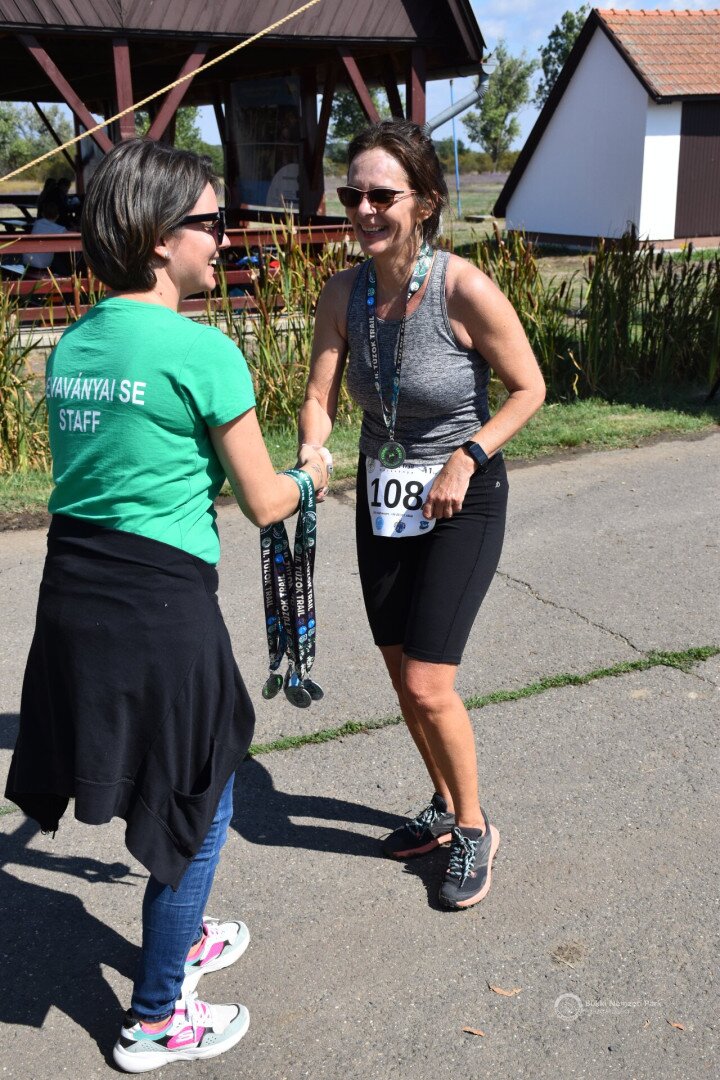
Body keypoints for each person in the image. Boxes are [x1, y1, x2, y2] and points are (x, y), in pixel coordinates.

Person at [4, 138, 327, 1072]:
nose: (224, 238)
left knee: (168, 778)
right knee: (200, 794)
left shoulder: (75, 344)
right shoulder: (203, 351)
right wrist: (313, 472)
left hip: (73, 598)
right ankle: (155, 1017)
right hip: (159, 605)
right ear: (158, 238)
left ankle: (178, 934)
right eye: (212, 222)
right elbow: (264, 502)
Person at [298, 119, 545, 910]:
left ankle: (474, 828)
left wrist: (467, 456)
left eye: (382, 195)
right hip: (385, 498)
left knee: (430, 684)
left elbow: (530, 389)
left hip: (463, 497)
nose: (364, 210)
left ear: (426, 202)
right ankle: (443, 802)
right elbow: (318, 397)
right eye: (353, 195)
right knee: (402, 676)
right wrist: (312, 451)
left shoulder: (463, 289)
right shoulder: (344, 292)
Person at [22, 196, 67, 274]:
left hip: (27, 261)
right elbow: (74, 236)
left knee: (55, 257)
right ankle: (67, 276)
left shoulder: (37, 223)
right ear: (57, 215)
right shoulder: (60, 229)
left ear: (42, 214)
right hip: (41, 264)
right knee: (59, 260)